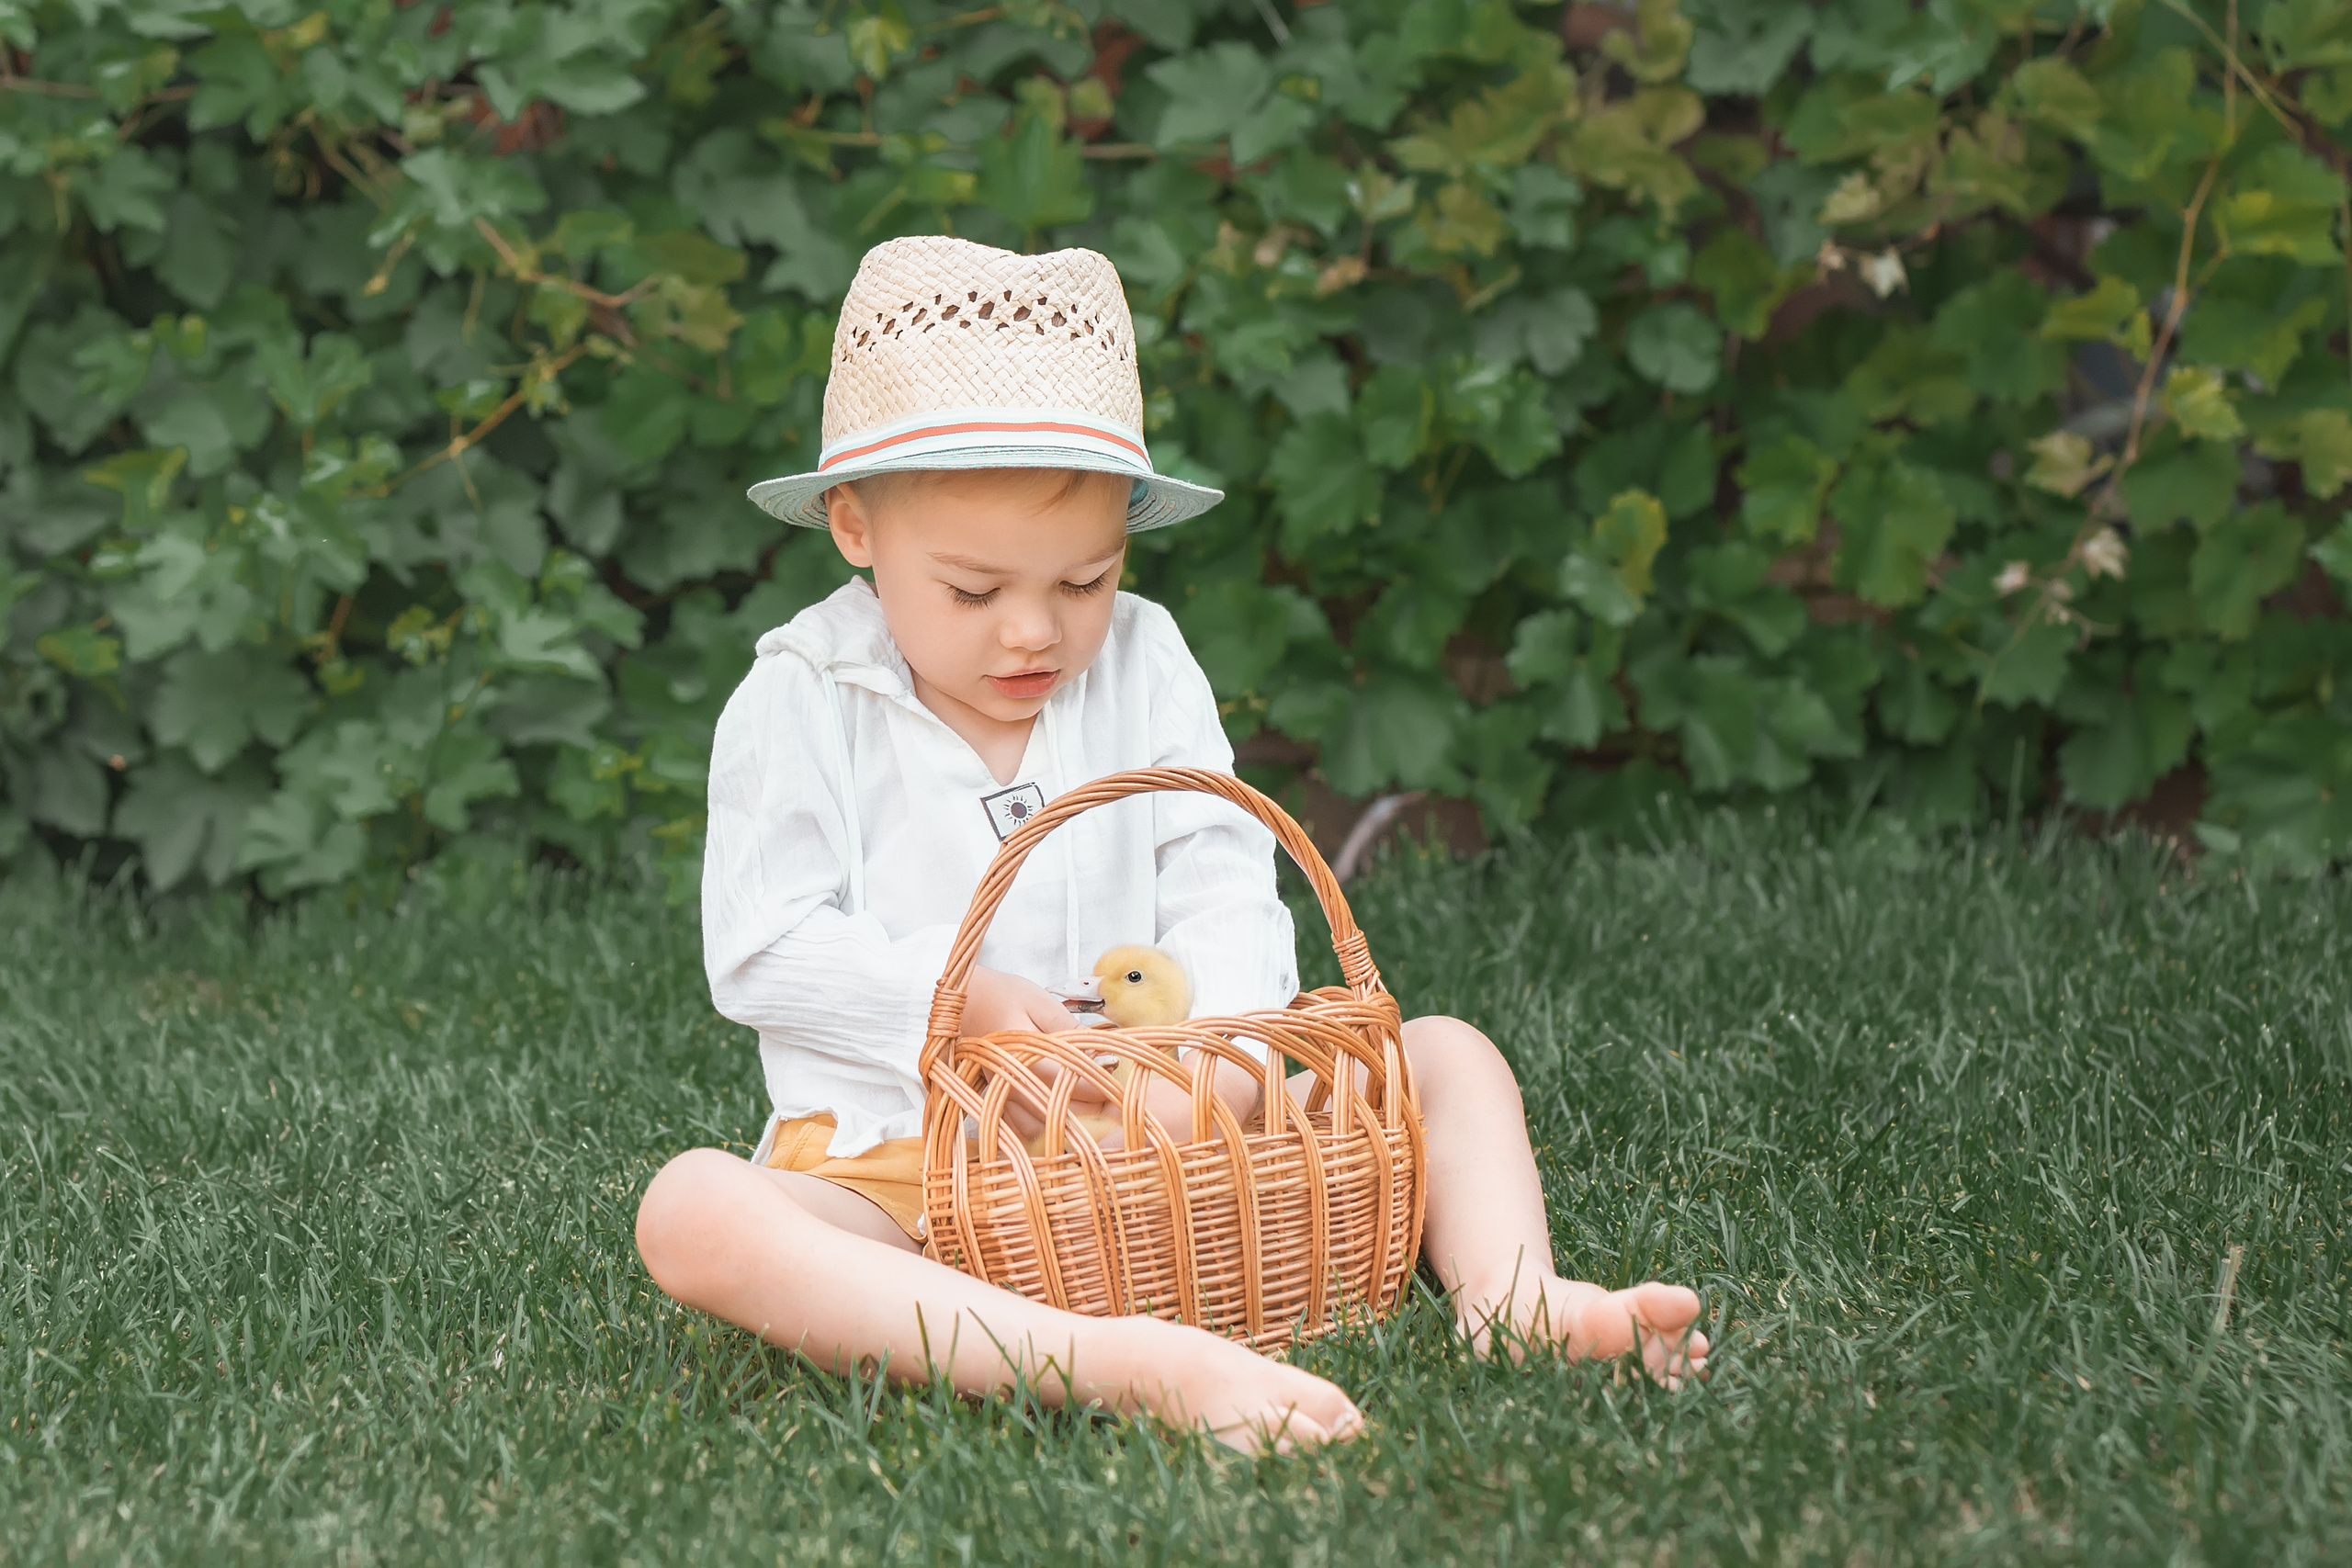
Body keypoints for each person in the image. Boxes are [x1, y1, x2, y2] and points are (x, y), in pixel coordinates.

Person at [634, 236, 1708, 1453]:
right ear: (853, 526)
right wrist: (954, 997)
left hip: (1176, 1132)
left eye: (1085, 580)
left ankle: (1512, 1297)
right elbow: (763, 949)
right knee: (693, 1209)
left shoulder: (1146, 660)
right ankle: (1108, 1359)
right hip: (917, 1166)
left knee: (1448, 1056)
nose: (1035, 633)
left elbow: (1220, 870)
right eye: (975, 594)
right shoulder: (803, 696)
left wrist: (1223, 1065)